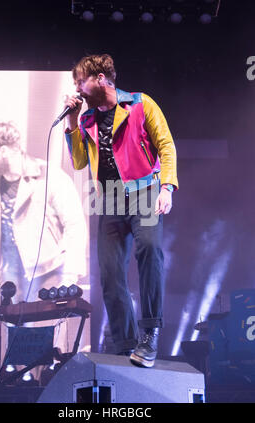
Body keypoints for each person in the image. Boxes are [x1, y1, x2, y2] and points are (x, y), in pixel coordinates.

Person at [64, 54, 178, 368]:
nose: (77, 89)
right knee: (110, 273)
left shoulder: (141, 104)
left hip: (144, 189)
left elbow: (166, 145)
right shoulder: (86, 119)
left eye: (80, 81)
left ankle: (150, 333)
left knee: (150, 250)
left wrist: (166, 187)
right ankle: (125, 345)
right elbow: (78, 162)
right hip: (109, 199)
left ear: (100, 78)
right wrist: (73, 120)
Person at [0, 120, 87, 303]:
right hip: (10, 280)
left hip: (48, 274)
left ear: (3, 151)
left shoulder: (49, 175)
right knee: (14, 332)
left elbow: (75, 225)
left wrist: (70, 275)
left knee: (46, 330)